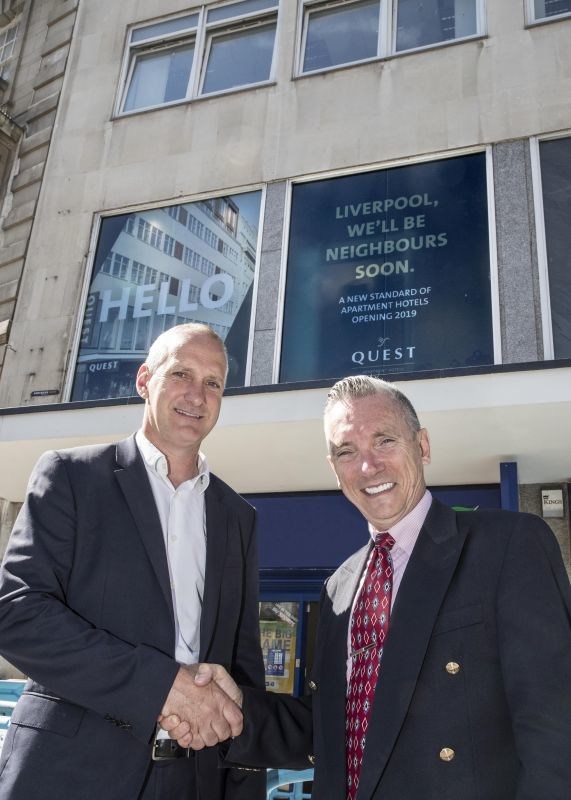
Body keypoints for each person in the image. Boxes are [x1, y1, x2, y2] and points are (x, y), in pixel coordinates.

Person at [168, 375, 571, 800]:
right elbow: (327, 727)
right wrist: (236, 710)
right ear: (334, 468)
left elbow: (554, 720)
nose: (367, 466)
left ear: (423, 446)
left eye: (384, 441)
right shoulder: (339, 587)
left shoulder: (506, 544)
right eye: (347, 451)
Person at [0, 323, 265, 800]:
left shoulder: (238, 516)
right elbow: (17, 612)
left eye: (213, 382)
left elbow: (242, 663)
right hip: (73, 773)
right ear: (144, 380)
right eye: (181, 373)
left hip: (195, 777)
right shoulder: (72, 476)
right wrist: (160, 686)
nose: (197, 395)